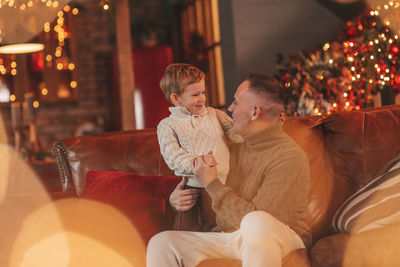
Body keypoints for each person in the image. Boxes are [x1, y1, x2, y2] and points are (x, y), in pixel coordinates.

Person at [147, 73, 311, 267]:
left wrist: (212, 184)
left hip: (283, 236)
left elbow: (257, 218)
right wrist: (176, 199)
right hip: (233, 236)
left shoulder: (288, 157)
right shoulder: (231, 146)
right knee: (162, 243)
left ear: (254, 112)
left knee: (255, 222)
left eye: (235, 103)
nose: (230, 109)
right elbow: (213, 201)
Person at [157, 63, 243, 232]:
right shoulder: (168, 125)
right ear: (176, 99)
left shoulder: (215, 114)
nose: (202, 98)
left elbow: (237, 135)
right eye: (195, 94)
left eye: (203, 92)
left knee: (228, 234)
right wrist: (200, 163)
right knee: (188, 238)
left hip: (225, 187)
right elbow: (173, 158)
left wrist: (257, 127)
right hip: (194, 193)